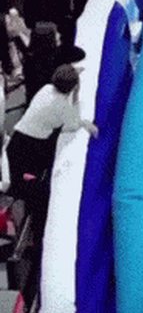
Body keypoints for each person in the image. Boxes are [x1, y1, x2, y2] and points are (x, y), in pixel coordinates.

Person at [7, 64, 98, 243]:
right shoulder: (62, 106)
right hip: (31, 149)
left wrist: (72, 75)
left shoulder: (46, 90)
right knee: (37, 193)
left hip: (17, 141)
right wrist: (77, 97)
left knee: (21, 180)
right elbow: (72, 124)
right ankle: (34, 235)